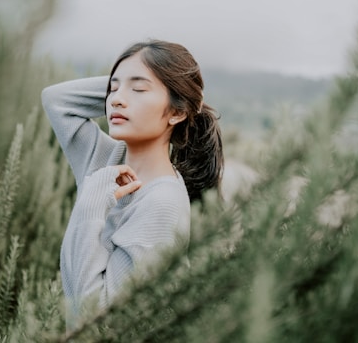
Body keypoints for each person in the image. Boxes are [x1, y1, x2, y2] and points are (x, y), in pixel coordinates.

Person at [41, 39, 224, 330]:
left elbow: (94, 322)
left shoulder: (161, 204)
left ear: (177, 112)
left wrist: (90, 206)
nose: (115, 100)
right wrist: (131, 80)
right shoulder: (105, 159)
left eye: (139, 89)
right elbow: (56, 100)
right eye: (113, 89)